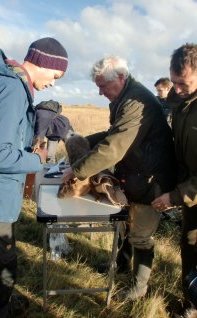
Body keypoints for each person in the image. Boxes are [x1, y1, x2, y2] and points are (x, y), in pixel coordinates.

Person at [0, 37, 68, 318]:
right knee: (1, 268)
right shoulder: (11, 89)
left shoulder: (8, 84)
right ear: (43, 63)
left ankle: (0, 305)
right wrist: (37, 160)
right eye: (55, 75)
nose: (54, 83)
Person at [62, 55, 177, 300]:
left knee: (141, 236)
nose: (101, 93)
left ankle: (139, 288)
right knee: (124, 225)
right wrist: (85, 141)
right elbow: (113, 133)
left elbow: (115, 146)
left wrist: (77, 170)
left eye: (103, 86)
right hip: (133, 176)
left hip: (150, 181)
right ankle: (121, 266)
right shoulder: (123, 97)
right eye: (98, 87)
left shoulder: (136, 101)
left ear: (121, 77)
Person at [152, 43, 197, 313]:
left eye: (184, 83)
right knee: (189, 245)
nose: (176, 89)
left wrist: (175, 196)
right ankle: (191, 302)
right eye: (174, 82)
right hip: (190, 196)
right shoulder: (179, 103)